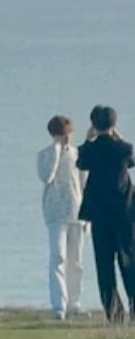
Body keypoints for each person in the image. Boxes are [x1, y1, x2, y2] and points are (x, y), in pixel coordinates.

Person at [76, 104, 135, 324]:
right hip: (124, 214)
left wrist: (87, 139)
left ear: (93, 125)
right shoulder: (124, 148)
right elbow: (131, 161)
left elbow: (80, 163)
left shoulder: (89, 150)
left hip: (100, 215)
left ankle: (114, 313)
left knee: (104, 266)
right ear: (114, 124)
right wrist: (118, 137)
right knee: (129, 261)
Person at [36, 114, 87, 320]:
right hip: (55, 213)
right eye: (63, 134)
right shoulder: (44, 155)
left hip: (78, 212)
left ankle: (75, 303)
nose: (67, 138)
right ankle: (59, 305)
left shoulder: (77, 153)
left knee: (76, 261)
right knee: (58, 257)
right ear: (55, 135)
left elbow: (83, 182)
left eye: (69, 133)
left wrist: (88, 216)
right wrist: (56, 151)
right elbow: (46, 176)